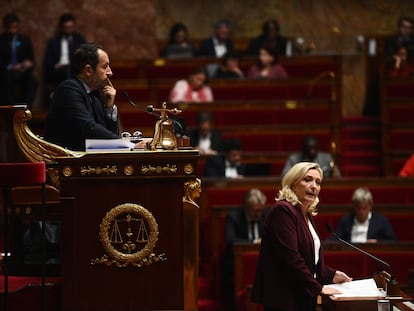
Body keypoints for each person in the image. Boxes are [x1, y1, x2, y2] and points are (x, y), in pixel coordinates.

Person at [252, 162, 352, 311]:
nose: (314, 186)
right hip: (284, 300)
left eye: (318, 182)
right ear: (293, 184)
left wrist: (332, 275)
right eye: (307, 180)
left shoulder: (304, 214)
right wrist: (319, 288)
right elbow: (291, 259)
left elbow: (310, 260)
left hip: (301, 297)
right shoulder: (283, 211)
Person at [44, 42, 147, 151]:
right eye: (105, 67)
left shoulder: (94, 95)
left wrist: (109, 108)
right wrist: (130, 145)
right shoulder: (68, 90)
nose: (110, 72)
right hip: (64, 163)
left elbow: (107, 137)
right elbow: (88, 129)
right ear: (88, 70)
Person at [221, 188, 269, 310]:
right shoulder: (234, 217)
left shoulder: (266, 214)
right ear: (247, 208)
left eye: (260, 210)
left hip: (264, 258)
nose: (259, 214)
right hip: (238, 260)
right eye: (255, 211)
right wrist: (253, 242)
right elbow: (230, 240)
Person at [332, 187, 396, 243]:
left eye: (364, 208)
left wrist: (377, 242)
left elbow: (392, 241)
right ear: (354, 206)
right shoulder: (346, 221)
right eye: (358, 208)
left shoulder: (381, 221)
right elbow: (334, 239)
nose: (361, 212)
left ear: (370, 205)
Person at [44, 13, 86, 96]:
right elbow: (48, 62)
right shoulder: (53, 42)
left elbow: (84, 57)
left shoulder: (79, 40)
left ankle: (71, 96)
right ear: (61, 27)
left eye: (70, 27)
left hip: (74, 70)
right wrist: (57, 66)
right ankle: (70, 96)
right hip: (58, 71)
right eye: (66, 28)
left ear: (74, 26)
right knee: (65, 71)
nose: (68, 30)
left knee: (69, 70)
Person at [0, 12, 37, 108]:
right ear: (5, 27)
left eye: (15, 27)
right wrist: (11, 67)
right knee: (6, 80)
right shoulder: (1, 41)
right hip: (6, 73)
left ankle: (26, 109)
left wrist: (28, 64)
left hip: (22, 72)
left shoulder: (25, 40)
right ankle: (10, 110)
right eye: (10, 28)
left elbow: (32, 60)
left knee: (32, 80)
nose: (12, 30)